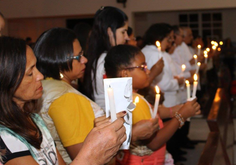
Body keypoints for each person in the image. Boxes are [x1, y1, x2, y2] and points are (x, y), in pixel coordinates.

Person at [0, 36, 127, 165]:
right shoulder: (4, 137)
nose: (40, 76)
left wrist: (95, 139)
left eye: (36, 67)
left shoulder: (33, 119)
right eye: (30, 73)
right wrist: (91, 154)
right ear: (6, 79)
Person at [33, 27, 125, 164]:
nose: (85, 60)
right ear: (60, 59)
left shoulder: (42, 86)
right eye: (78, 56)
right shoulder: (66, 97)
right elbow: (89, 156)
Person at [104, 45, 201, 165]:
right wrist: (180, 117)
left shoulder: (121, 96)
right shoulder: (134, 101)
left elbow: (152, 123)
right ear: (125, 73)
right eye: (142, 67)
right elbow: (154, 142)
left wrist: (174, 111)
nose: (148, 71)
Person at [82, 6, 129, 110]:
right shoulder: (105, 60)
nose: (127, 37)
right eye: (123, 32)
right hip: (110, 115)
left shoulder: (100, 56)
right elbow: (120, 97)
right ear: (109, 32)